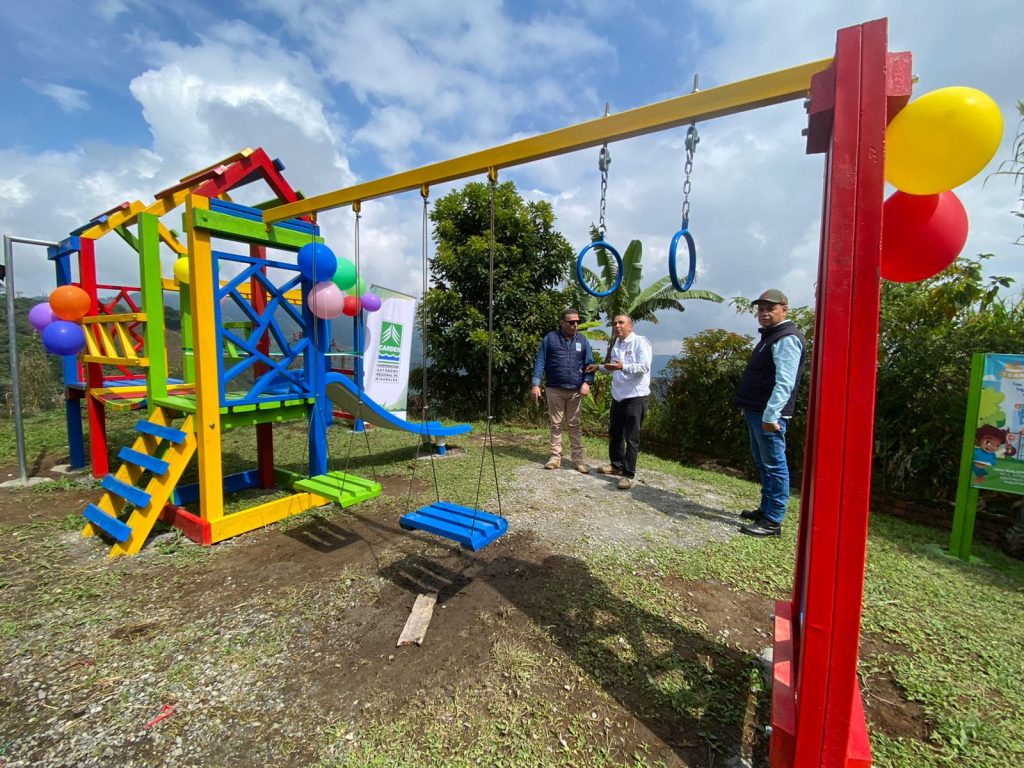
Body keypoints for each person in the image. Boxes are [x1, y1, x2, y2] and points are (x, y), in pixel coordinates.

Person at [734, 289, 808, 537]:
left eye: (770, 309)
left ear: (784, 309)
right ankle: (765, 510)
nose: (764, 313)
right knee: (764, 464)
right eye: (761, 309)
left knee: (775, 466)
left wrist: (771, 415)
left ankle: (773, 520)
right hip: (757, 411)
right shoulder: (771, 336)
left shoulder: (786, 337)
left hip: (768, 415)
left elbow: (785, 382)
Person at [587, 314, 652, 490]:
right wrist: (599, 367)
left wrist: (623, 366)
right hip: (618, 396)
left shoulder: (640, 342)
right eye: (615, 323)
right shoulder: (617, 343)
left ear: (630, 326)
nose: (617, 326)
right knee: (615, 433)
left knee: (631, 437)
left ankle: (628, 474)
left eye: (621, 323)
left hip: (636, 397)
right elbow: (614, 368)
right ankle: (616, 465)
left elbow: (644, 366)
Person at [531, 309, 595, 472]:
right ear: (562, 323)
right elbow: (540, 362)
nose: (575, 325)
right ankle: (555, 457)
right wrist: (536, 384)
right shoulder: (550, 339)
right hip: (555, 389)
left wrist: (587, 382)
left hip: (575, 390)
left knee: (575, 425)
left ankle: (578, 460)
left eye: (577, 322)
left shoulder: (583, 340)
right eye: (571, 322)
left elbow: (590, 364)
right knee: (556, 424)